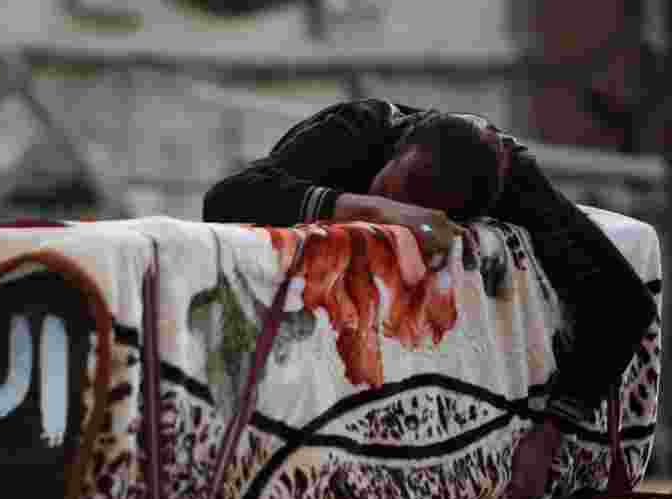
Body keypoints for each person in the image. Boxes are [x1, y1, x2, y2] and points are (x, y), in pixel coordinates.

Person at [202, 98, 657, 427]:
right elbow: (226, 199)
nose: (394, 202)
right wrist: (377, 212)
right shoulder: (355, 130)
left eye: (419, 206)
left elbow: (624, 303)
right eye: (391, 185)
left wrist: (552, 432)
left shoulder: (513, 183)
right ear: (397, 149)